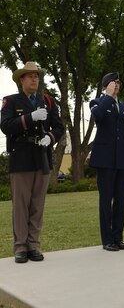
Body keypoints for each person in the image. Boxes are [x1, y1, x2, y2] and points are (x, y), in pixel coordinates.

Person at [0, 61, 64, 264]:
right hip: (21, 157)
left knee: (38, 204)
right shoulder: (11, 101)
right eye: (30, 76)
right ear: (22, 80)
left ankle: (34, 245)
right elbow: (5, 126)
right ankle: (20, 247)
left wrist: (51, 138)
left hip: (42, 156)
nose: (35, 78)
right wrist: (29, 117)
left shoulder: (48, 101)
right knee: (21, 205)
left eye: (37, 75)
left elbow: (59, 126)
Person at [89, 72, 124, 251]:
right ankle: (107, 240)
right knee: (106, 200)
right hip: (105, 160)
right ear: (106, 85)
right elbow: (98, 117)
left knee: (121, 200)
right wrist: (107, 96)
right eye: (113, 82)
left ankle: (118, 237)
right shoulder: (97, 103)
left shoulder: (123, 106)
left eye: (118, 82)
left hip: (121, 159)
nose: (117, 84)